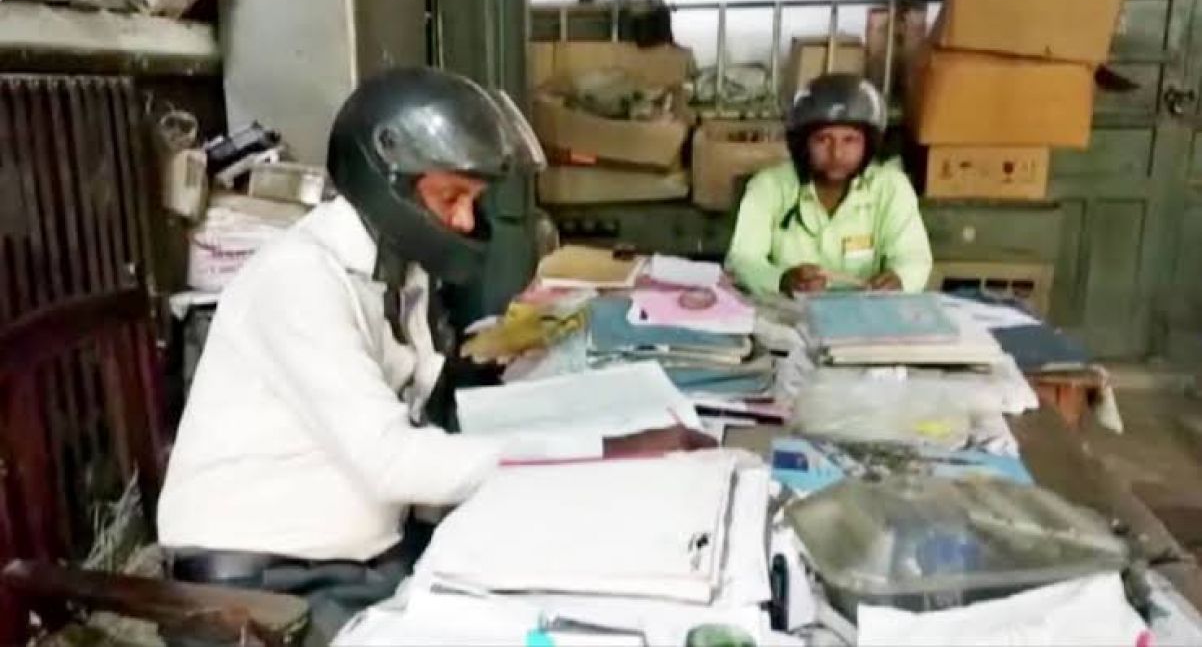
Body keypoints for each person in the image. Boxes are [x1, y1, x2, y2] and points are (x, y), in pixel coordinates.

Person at [156, 67, 714, 644]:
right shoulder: (299, 278)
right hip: (265, 591)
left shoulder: (398, 273)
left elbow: (420, 406)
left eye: (471, 200)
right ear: (388, 180)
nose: (466, 221)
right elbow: (399, 463)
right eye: (450, 197)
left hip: (363, 562)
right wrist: (605, 451)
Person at [725, 74, 932, 297]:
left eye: (850, 140)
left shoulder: (891, 187)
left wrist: (899, 279)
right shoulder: (768, 187)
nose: (837, 153)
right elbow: (743, 259)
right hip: (788, 313)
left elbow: (913, 256)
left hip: (868, 315)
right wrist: (782, 280)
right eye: (823, 140)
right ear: (803, 144)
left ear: (868, 144)